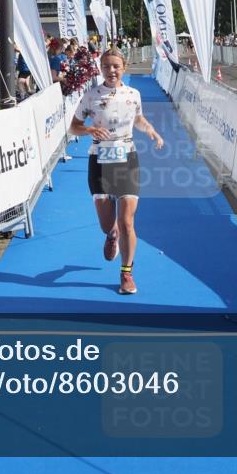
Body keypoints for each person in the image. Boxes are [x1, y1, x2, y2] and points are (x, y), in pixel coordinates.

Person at [69, 48, 164, 295]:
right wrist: (90, 131)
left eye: (116, 66)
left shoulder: (134, 94)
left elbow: (139, 119)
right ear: (101, 68)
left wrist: (151, 130)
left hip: (127, 160)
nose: (112, 71)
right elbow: (74, 127)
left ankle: (126, 274)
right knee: (107, 224)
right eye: (107, 66)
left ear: (124, 68)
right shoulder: (91, 95)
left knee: (128, 221)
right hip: (99, 162)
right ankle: (112, 235)